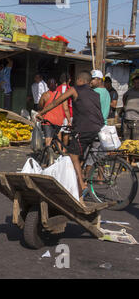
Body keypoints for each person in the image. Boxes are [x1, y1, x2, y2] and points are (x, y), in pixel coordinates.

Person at [37, 71, 105, 204]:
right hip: (97, 128)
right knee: (80, 156)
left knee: (72, 155)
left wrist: (41, 113)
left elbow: (56, 102)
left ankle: (81, 185)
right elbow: (88, 111)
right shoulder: (95, 93)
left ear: (79, 80)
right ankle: (80, 182)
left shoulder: (74, 89)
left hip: (85, 129)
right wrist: (73, 125)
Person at [38, 78, 71, 147]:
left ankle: (48, 153)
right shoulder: (62, 95)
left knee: (48, 138)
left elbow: (40, 106)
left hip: (47, 119)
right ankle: (59, 150)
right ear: (56, 85)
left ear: (47, 86)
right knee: (58, 135)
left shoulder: (45, 95)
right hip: (58, 120)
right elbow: (66, 109)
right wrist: (69, 121)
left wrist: (40, 113)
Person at [56, 72, 73, 147]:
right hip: (68, 113)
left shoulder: (57, 89)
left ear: (60, 80)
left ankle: (59, 148)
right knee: (66, 132)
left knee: (59, 131)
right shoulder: (70, 89)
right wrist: (69, 119)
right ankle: (64, 149)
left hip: (58, 113)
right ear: (69, 80)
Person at [122, 75, 139, 140]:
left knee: (136, 141)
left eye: (138, 83)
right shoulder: (130, 91)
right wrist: (124, 106)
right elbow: (124, 96)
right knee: (126, 140)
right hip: (127, 118)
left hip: (137, 120)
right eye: (135, 83)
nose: (136, 84)